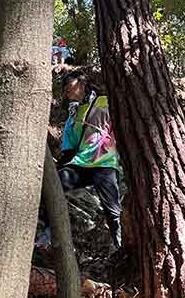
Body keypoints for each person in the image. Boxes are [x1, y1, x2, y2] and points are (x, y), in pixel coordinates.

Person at [58, 71, 122, 249]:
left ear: (83, 83)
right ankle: (49, 233)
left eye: (70, 87)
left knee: (112, 209)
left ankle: (120, 245)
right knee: (57, 184)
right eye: (65, 89)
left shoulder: (104, 101)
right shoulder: (77, 109)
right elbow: (72, 139)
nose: (67, 92)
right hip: (81, 162)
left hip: (105, 161)